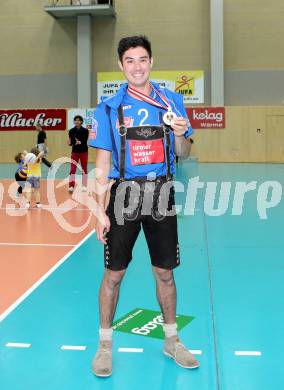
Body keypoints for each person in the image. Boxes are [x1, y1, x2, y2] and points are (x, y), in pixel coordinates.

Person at [89, 35, 199, 377]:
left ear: (151, 62)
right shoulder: (108, 109)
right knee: (114, 274)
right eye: (130, 60)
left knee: (165, 273)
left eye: (143, 59)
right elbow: (102, 166)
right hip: (123, 197)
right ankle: (105, 345)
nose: (137, 66)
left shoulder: (172, 101)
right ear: (121, 66)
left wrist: (181, 132)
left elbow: (184, 153)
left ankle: (172, 340)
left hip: (162, 194)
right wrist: (97, 212)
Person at [67, 115, 89, 193]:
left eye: (78, 120)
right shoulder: (71, 131)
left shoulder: (85, 130)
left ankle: (84, 185)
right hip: (74, 152)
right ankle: (71, 186)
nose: (77, 121)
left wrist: (78, 142)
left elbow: (84, 140)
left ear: (81, 122)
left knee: (84, 169)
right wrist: (70, 143)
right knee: (72, 169)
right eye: (75, 120)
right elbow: (70, 142)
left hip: (84, 152)